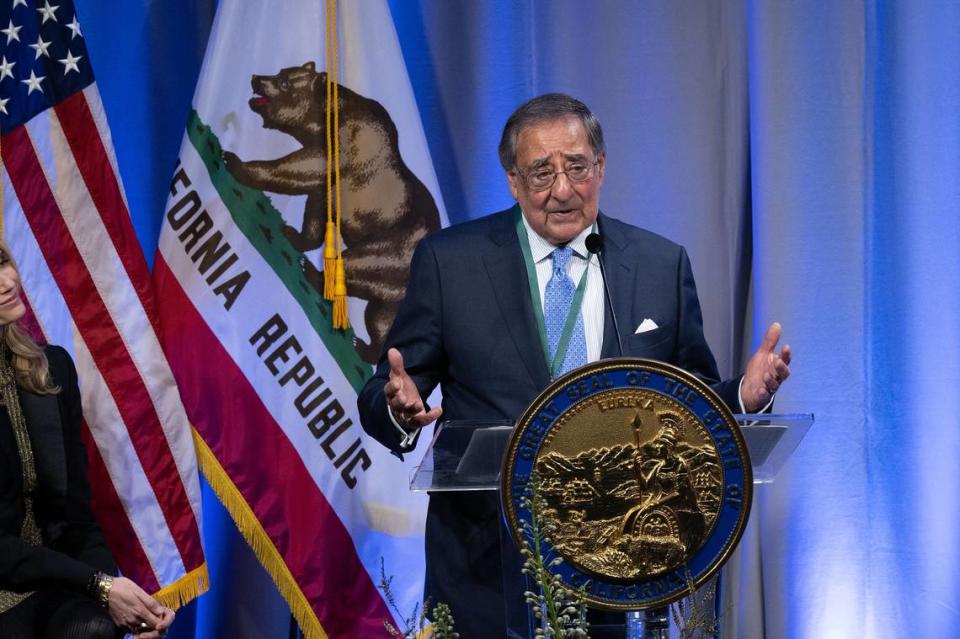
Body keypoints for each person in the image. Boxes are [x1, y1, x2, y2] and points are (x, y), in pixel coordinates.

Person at [358, 93, 791, 637]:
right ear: (513, 181)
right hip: (486, 570)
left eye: (577, 167)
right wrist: (398, 407)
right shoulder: (452, 262)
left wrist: (745, 399)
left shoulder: (658, 264)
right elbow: (385, 394)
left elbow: (687, 399)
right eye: (541, 173)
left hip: (617, 568)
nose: (562, 190)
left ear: (601, 168)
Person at [0, 242, 175, 639]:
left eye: (4, 262)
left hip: (48, 581)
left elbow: (75, 517)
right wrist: (99, 585)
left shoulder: (52, 368)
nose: (8, 281)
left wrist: (122, 602)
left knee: (94, 629)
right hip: (13, 578)